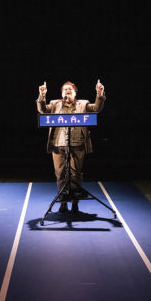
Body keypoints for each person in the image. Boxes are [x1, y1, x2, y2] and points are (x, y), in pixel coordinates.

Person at [37, 80, 105, 213]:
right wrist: (42, 96)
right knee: (60, 173)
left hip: (77, 143)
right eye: (65, 89)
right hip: (58, 143)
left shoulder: (83, 103)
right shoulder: (54, 103)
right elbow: (43, 110)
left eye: (70, 89)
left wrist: (99, 93)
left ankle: (75, 201)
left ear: (75, 92)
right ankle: (63, 202)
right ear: (62, 93)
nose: (67, 91)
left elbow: (96, 108)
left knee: (75, 174)